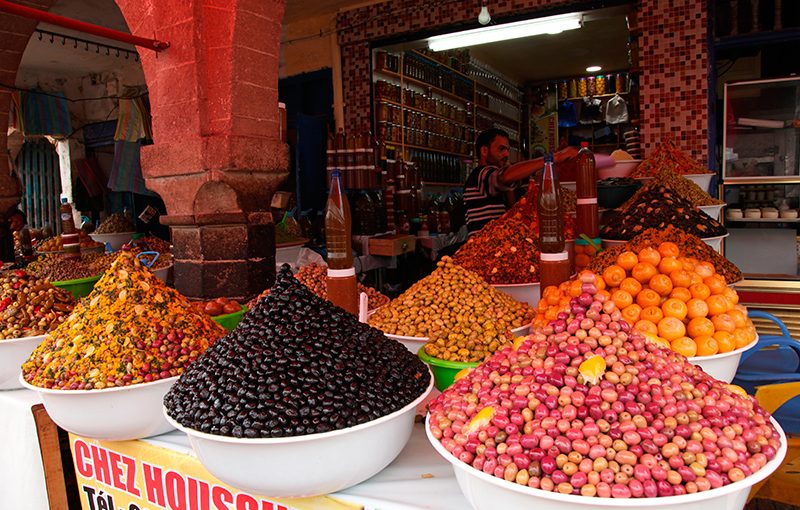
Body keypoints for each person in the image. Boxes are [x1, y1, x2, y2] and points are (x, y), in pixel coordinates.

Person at [464, 128, 578, 235]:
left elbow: (513, 205)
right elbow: (504, 177)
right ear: (484, 151)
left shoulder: (497, 182)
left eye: (507, 150)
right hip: (483, 248)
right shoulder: (481, 174)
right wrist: (555, 157)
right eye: (501, 149)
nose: (506, 154)